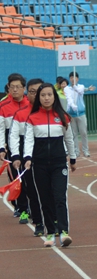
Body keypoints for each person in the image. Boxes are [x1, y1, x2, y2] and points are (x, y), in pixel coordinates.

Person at [22, 83, 77, 247]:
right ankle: (51, 233)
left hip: (59, 163)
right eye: (43, 95)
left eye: (49, 95)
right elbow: (29, 141)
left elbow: (69, 139)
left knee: (60, 197)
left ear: (55, 97)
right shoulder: (32, 118)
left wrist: (72, 159)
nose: (46, 98)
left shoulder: (63, 117)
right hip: (39, 165)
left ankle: (64, 232)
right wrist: (27, 157)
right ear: (38, 98)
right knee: (45, 198)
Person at [8, 78, 44, 235]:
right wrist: (15, 155)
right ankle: (37, 220)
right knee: (30, 188)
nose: (36, 95)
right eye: (32, 92)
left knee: (49, 189)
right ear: (27, 93)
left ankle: (55, 220)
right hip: (25, 154)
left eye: (39, 92)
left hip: (46, 154)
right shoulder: (20, 114)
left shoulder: (53, 112)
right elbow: (13, 136)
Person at [0, 73, 31, 219]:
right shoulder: (3, 105)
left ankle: (31, 205)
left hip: (28, 143)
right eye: (12, 87)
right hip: (11, 146)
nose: (15, 90)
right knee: (16, 177)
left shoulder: (31, 104)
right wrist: (1, 148)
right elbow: (0, 129)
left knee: (30, 177)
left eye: (18, 87)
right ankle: (21, 206)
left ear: (24, 88)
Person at [64, 71, 95, 159]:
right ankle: (76, 151)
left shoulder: (80, 87)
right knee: (74, 134)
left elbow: (80, 91)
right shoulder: (67, 89)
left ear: (77, 79)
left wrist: (86, 88)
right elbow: (69, 99)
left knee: (83, 133)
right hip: (71, 114)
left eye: (74, 77)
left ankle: (85, 150)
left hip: (81, 113)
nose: (72, 79)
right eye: (71, 78)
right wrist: (72, 106)